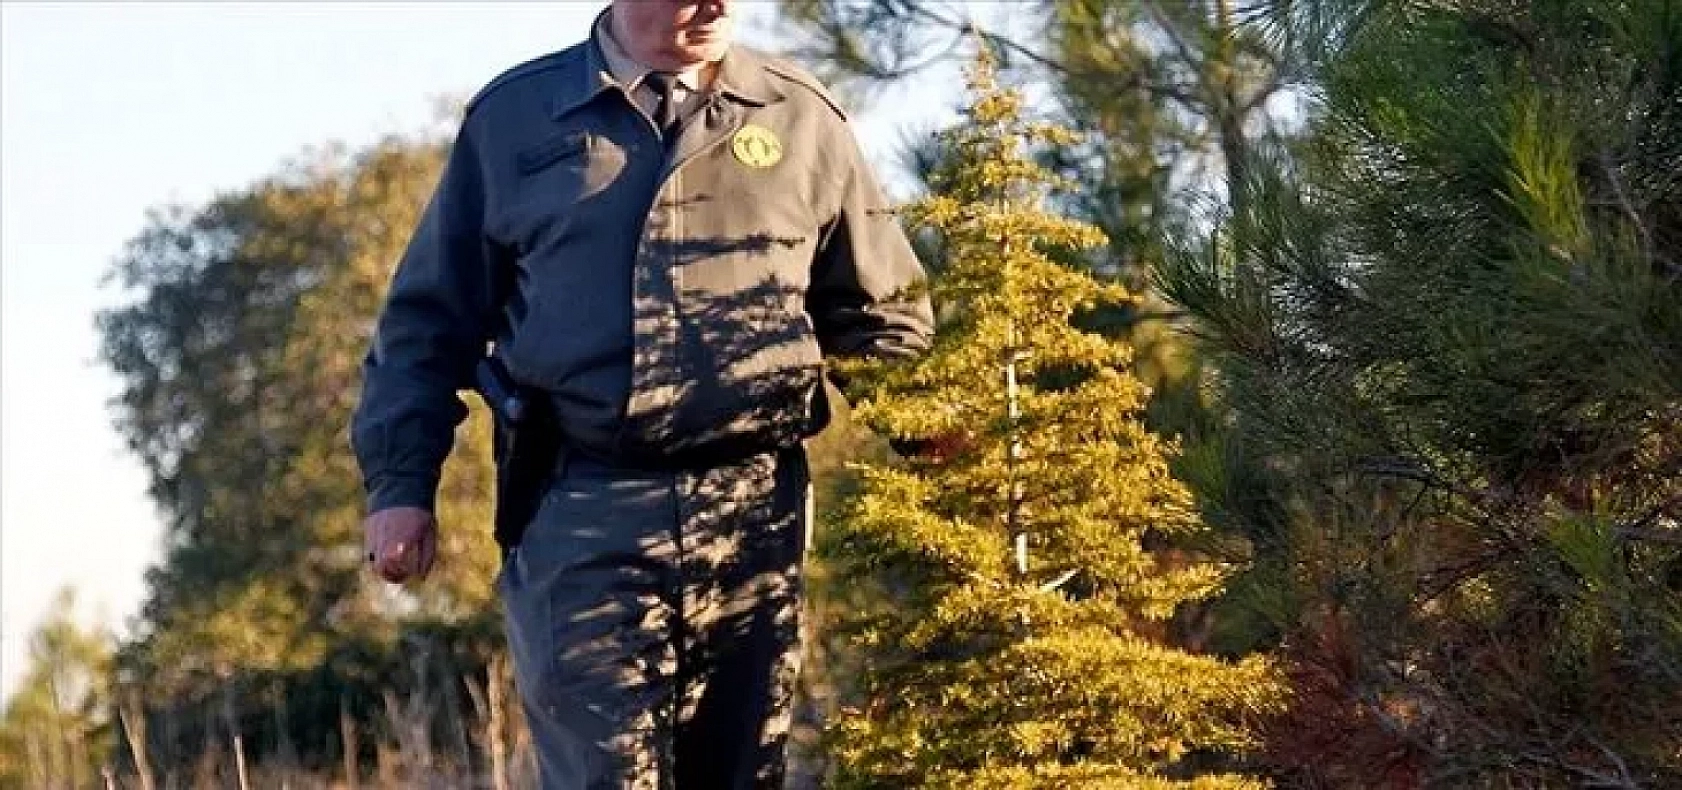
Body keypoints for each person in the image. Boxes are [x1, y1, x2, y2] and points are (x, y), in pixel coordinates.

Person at [349, 0, 934, 786]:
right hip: (581, 503)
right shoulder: (518, 118)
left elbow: (876, 315)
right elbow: (426, 326)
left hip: (755, 511)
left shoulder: (803, 117)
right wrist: (399, 485)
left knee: (739, 773)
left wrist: (934, 436)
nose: (715, 5)